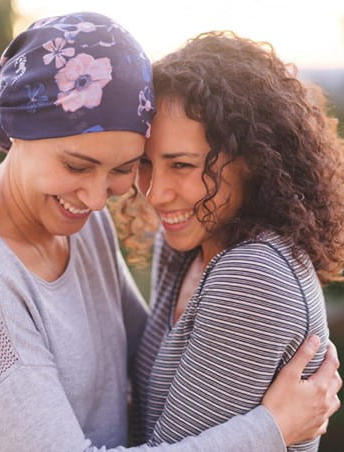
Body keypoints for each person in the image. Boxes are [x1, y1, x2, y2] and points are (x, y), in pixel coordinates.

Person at [0, 13, 341, 452]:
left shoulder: (81, 226)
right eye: (77, 165)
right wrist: (271, 428)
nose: (97, 200)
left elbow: (144, 374)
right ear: (18, 132)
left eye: (123, 169)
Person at [122, 31, 344, 451]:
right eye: (145, 165)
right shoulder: (184, 249)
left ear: (253, 160)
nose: (155, 194)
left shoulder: (254, 277)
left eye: (182, 166)